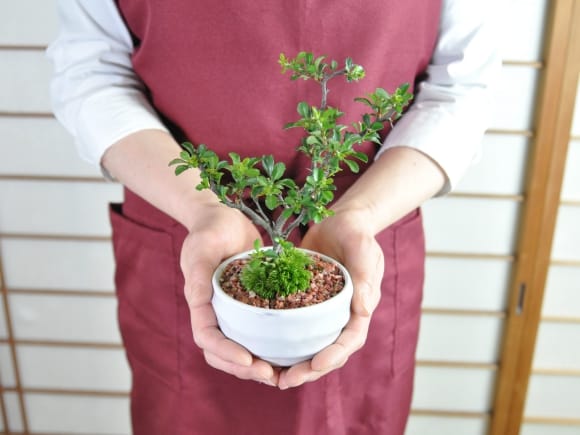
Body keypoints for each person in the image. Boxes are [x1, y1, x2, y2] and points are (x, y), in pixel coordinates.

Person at [47, 1, 499, 434]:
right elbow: (93, 71)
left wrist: (359, 214)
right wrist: (203, 207)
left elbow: (461, 84)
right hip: (184, 229)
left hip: (362, 236)